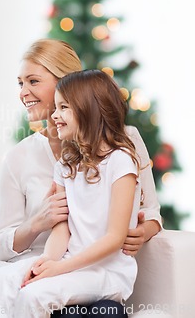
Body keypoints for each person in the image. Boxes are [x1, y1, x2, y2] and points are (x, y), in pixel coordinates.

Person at [0, 39, 162, 318]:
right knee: (7, 281)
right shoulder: (44, 161)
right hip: (58, 264)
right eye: (20, 84)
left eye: (33, 81)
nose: (23, 93)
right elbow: (3, 242)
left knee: (98, 313)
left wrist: (140, 232)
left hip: (97, 270)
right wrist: (37, 226)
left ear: (70, 86)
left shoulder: (124, 146)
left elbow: (149, 214)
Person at [16, 69, 142, 316]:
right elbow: (62, 229)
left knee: (33, 296)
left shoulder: (121, 162)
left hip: (106, 273)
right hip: (70, 266)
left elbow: (115, 238)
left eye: (63, 107)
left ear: (88, 110)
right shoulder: (65, 165)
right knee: (6, 280)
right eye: (55, 107)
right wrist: (47, 262)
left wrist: (60, 269)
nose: (54, 115)